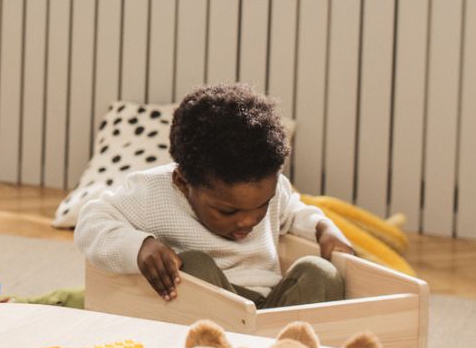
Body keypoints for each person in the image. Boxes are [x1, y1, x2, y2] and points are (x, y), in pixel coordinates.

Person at [74, 83, 352, 308]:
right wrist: (139, 246)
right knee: (193, 263)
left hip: (269, 308)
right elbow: (92, 221)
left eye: (261, 206)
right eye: (228, 211)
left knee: (320, 272)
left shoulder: (273, 188)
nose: (248, 221)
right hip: (206, 313)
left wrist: (323, 227)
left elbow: (293, 211)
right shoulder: (153, 192)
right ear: (183, 183)